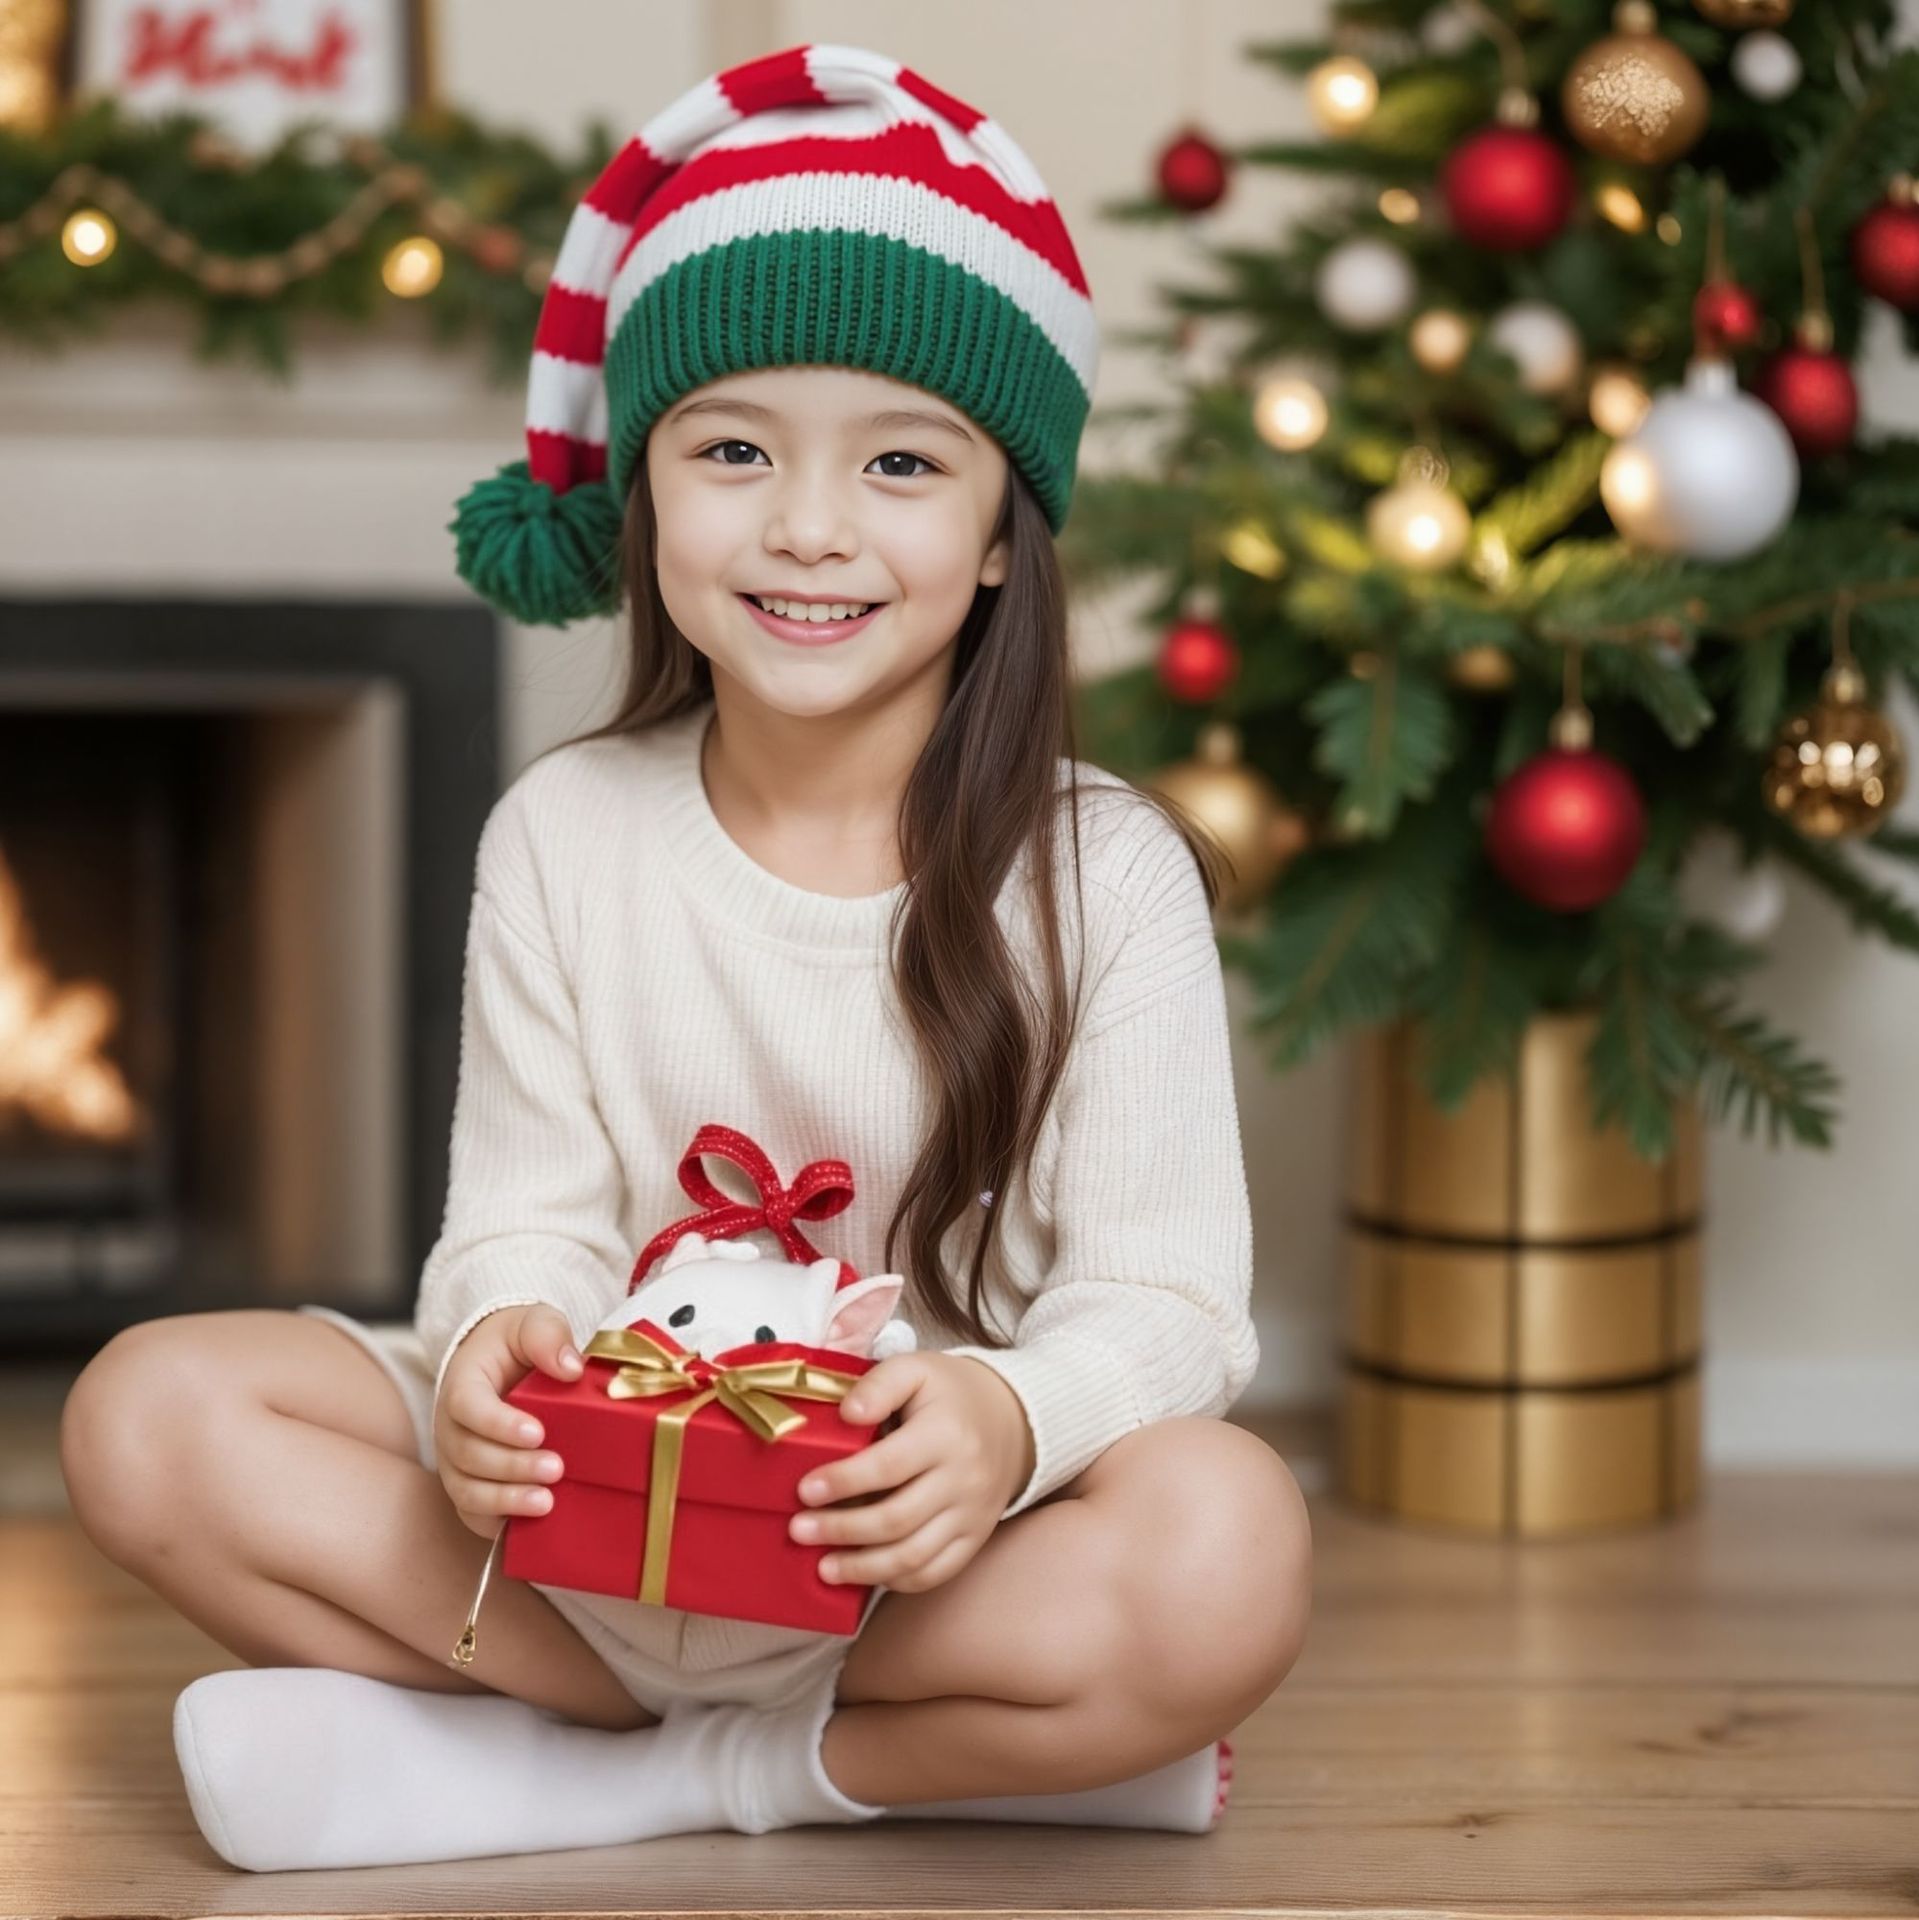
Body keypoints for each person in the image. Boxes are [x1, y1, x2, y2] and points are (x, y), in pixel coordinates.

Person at [60, 42, 1312, 1873]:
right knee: (147, 1415)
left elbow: (1175, 1303)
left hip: (911, 1547)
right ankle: (878, 1758)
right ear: (644, 496)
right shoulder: (565, 835)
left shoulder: (1102, 877)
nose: (808, 525)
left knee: (1227, 1541)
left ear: (995, 540)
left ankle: (621, 1776)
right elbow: (522, 1216)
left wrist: (1003, 1410)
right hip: (592, 1524)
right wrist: (501, 1342)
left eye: (900, 462)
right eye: (733, 451)